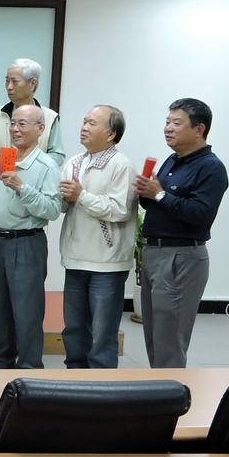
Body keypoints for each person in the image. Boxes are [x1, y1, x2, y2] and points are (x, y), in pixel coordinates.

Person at [134, 98, 229, 368]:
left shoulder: (211, 167)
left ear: (199, 129)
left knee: (170, 338)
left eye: (176, 123)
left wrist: (160, 194)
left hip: (180, 256)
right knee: (155, 335)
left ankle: (171, 389)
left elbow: (201, 214)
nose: (168, 128)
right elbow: (156, 205)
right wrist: (147, 192)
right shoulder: (173, 160)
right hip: (154, 253)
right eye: (167, 122)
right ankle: (159, 387)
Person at [0, 105, 61, 369]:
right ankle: (1, 365)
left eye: (22, 124)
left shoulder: (47, 166)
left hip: (26, 243)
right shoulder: (5, 158)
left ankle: (29, 368)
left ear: (40, 129)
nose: (14, 129)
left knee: (27, 313)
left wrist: (22, 188)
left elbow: (52, 210)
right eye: (12, 123)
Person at [58, 105, 138, 369]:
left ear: (111, 134)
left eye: (92, 123)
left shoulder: (121, 165)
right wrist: (62, 198)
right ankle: (75, 376)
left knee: (103, 333)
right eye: (84, 121)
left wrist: (81, 195)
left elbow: (120, 209)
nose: (84, 127)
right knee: (73, 328)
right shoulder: (74, 162)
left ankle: (102, 382)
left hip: (107, 263)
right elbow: (63, 206)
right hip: (75, 257)